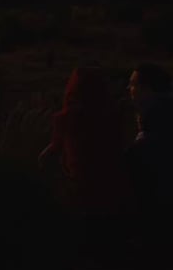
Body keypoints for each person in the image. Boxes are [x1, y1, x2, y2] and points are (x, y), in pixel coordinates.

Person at [39, 66, 129, 218]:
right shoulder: (112, 117)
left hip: (79, 191)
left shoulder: (66, 118)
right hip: (112, 190)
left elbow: (48, 156)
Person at [125, 63, 173, 254]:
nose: (130, 89)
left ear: (148, 89)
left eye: (133, 84)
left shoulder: (159, 116)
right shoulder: (159, 112)